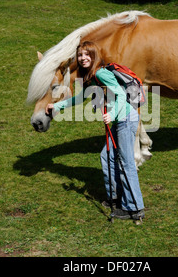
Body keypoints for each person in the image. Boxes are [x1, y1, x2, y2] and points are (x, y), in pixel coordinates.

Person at [45, 41, 145, 220]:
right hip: (118, 119)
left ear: (94, 56)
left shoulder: (101, 73)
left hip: (125, 118)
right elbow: (78, 98)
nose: (83, 58)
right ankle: (116, 196)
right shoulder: (91, 76)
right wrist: (57, 106)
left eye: (87, 54)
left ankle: (134, 208)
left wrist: (112, 114)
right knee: (107, 155)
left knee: (126, 162)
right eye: (81, 55)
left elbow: (121, 95)